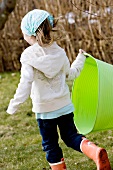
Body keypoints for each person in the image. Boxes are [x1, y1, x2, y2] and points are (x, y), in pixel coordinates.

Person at [7, 9, 111, 170]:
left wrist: (14, 104)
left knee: (50, 145)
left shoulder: (28, 56)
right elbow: (71, 74)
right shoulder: (59, 52)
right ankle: (94, 151)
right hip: (64, 106)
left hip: (45, 110)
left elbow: (25, 83)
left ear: (30, 35)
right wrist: (81, 58)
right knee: (71, 137)